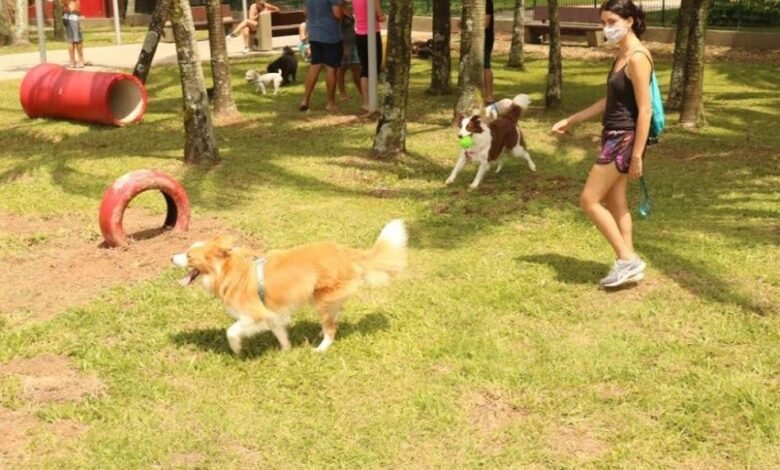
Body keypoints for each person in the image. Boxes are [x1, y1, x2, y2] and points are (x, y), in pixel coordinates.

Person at [551, 0, 652, 288]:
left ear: (629, 21)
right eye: (604, 22)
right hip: (613, 134)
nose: (606, 28)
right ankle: (628, 261)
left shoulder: (637, 57)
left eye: (611, 22)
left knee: (589, 200)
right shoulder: (622, 55)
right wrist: (572, 119)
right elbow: (612, 100)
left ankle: (627, 261)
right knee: (615, 202)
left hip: (624, 138)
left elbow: (645, 110)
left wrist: (637, 156)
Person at [299, 0, 343, 112]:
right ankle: (330, 102)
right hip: (330, 35)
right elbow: (337, 14)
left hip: (314, 34)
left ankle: (305, 99)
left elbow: (306, 12)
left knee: (315, 65)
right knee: (331, 68)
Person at [352, 0, 385, 113]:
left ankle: (366, 102)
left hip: (359, 35)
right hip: (372, 34)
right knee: (374, 68)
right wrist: (382, 16)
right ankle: (373, 101)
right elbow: (380, 15)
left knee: (365, 68)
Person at [337, 1, 361, 101]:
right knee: (342, 69)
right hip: (344, 45)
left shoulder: (350, 7)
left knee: (356, 68)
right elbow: (338, 30)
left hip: (353, 44)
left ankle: (362, 91)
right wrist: (343, 47)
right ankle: (342, 94)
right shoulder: (339, 10)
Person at [63, 0, 88, 68]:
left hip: (69, 17)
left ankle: (73, 61)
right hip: (73, 17)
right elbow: (73, 7)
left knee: (71, 40)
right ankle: (80, 61)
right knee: (77, 40)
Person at [484, 0, 495, 105]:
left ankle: (489, 96)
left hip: (485, 38)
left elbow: (485, 24)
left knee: (485, 66)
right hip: (474, 39)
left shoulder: (486, 2)